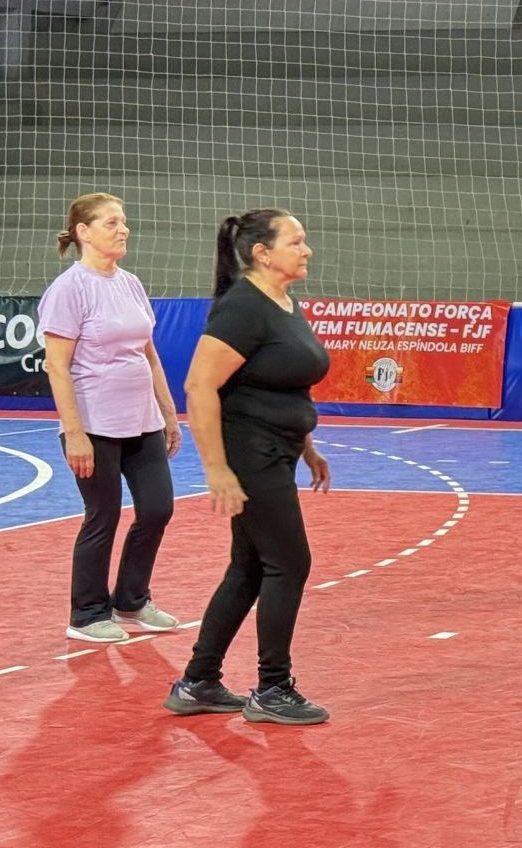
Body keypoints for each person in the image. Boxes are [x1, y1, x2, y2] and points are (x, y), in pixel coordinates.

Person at [168, 209, 334, 725]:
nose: (307, 250)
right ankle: (272, 688)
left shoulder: (283, 302)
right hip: (250, 453)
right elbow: (199, 386)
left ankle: (198, 682)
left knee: (250, 567)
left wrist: (306, 445)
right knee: (290, 562)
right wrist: (216, 469)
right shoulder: (244, 307)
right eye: (296, 242)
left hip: (279, 449)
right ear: (263, 253)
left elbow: (284, 382)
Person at [38, 193, 183, 644]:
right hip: (94, 424)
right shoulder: (69, 289)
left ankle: (131, 601)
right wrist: (75, 433)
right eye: (112, 223)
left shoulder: (131, 283)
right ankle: (86, 615)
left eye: (124, 222)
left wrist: (168, 413)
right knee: (102, 515)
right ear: (83, 232)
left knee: (157, 508)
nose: (124, 229)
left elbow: (149, 354)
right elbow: (56, 366)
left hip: (143, 420)